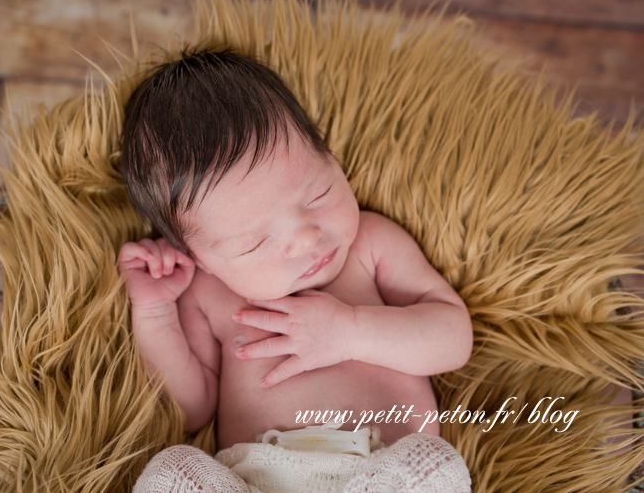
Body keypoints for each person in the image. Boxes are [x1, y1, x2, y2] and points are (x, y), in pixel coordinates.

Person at [117, 45, 474, 492]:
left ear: (332, 157)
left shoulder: (370, 244)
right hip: (258, 481)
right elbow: (192, 409)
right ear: (199, 258)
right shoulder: (208, 292)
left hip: (382, 469)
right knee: (174, 470)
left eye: (317, 194)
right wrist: (154, 312)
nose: (306, 238)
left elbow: (453, 338)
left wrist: (352, 330)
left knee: (435, 463)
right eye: (256, 242)